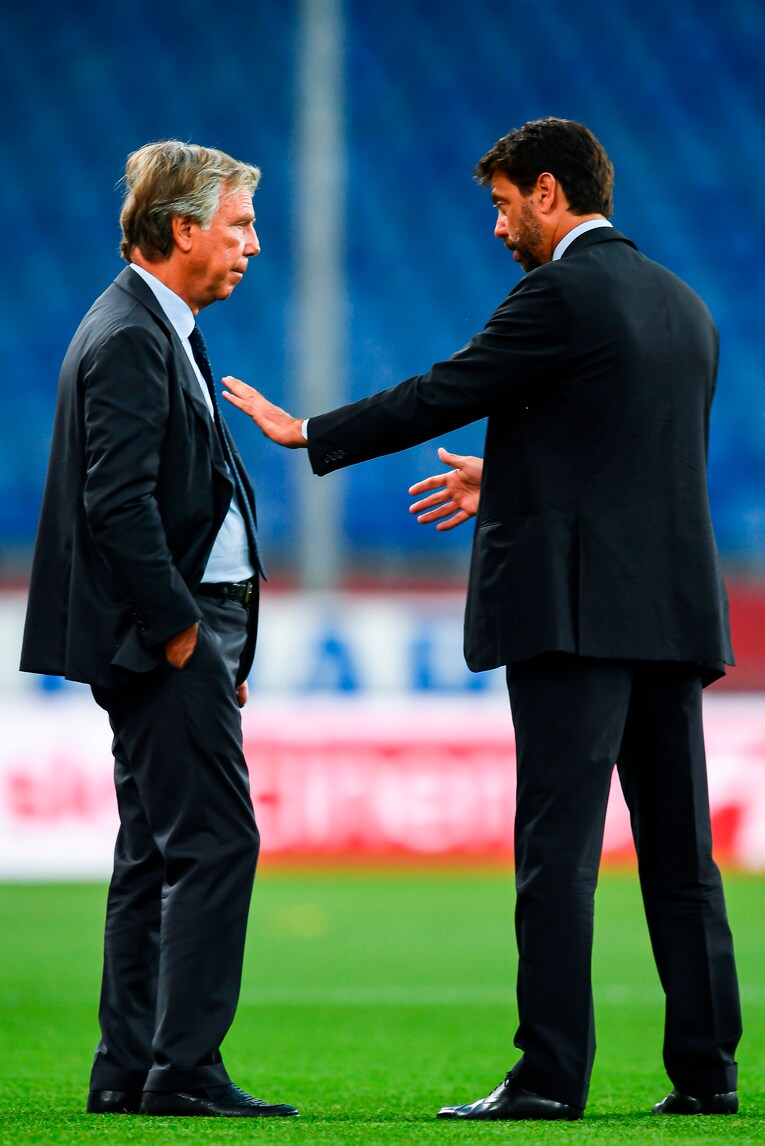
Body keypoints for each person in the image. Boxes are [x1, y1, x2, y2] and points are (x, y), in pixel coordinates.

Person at [220, 117, 742, 1121]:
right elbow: (626, 456)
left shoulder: (561, 293)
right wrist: (503, 474)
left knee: (556, 852)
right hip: (672, 614)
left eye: (504, 206)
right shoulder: (684, 305)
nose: (499, 228)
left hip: (573, 615)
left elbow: (444, 391)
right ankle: (706, 1070)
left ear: (549, 191)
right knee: (681, 854)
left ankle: (548, 1077)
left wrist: (310, 432)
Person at [20, 141, 297, 1119]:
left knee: (154, 851)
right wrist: (184, 632)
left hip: (174, 629)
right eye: (239, 225)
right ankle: (183, 1071)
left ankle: (129, 1068)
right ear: (182, 230)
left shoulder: (145, 323)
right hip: (162, 633)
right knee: (217, 842)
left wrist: (219, 638)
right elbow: (120, 506)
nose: (252, 245)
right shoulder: (136, 336)